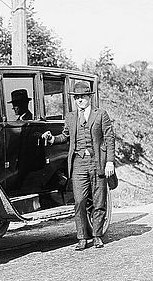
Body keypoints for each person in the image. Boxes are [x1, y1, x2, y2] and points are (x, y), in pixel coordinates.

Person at [42, 81, 115, 251]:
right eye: (77, 98)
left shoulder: (101, 114)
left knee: (98, 200)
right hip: (78, 164)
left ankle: (97, 235)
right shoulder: (71, 117)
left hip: (97, 163)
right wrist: (52, 139)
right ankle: (82, 237)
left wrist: (110, 161)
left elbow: (110, 138)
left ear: (89, 97)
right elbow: (65, 136)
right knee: (80, 201)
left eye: (82, 97)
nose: (79, 100)